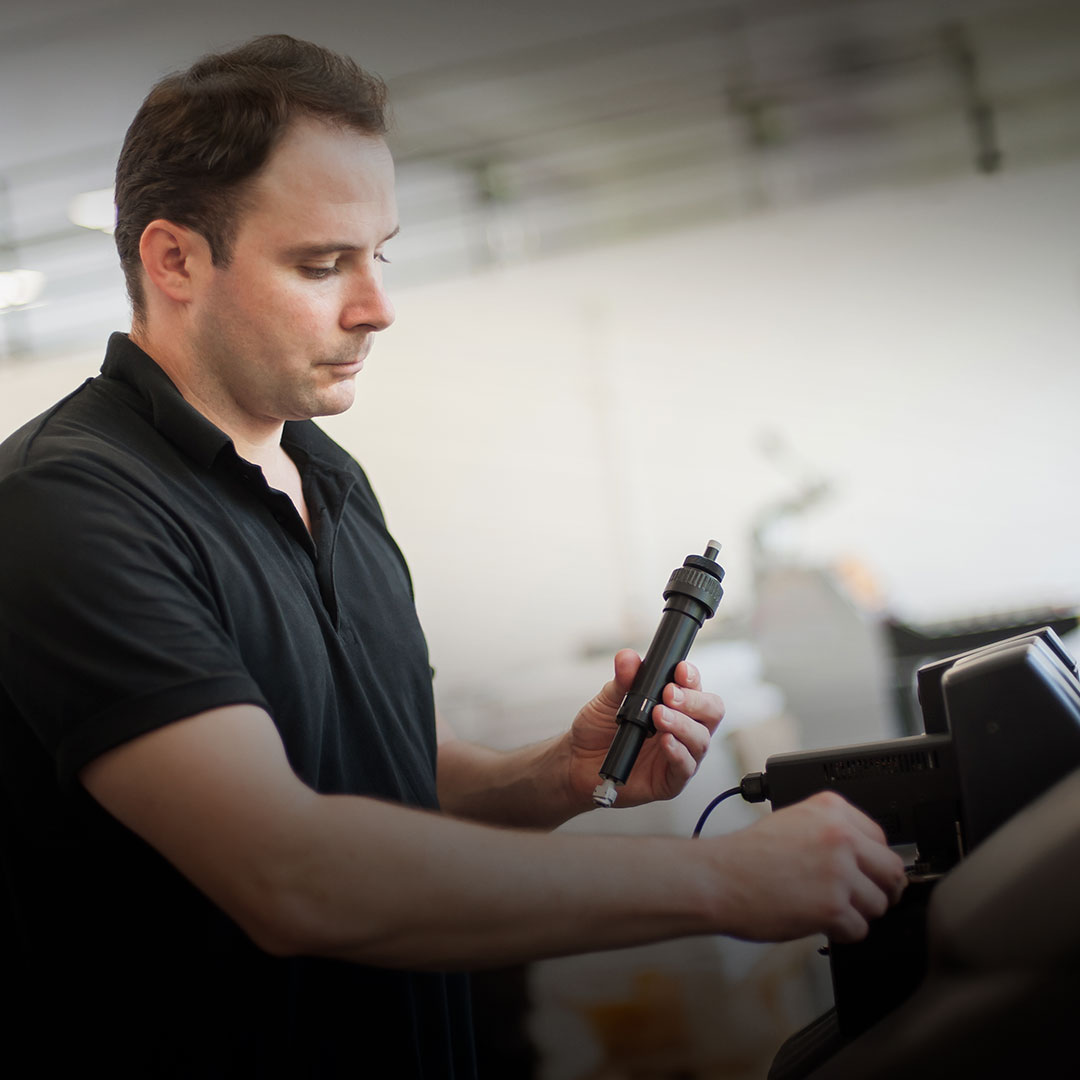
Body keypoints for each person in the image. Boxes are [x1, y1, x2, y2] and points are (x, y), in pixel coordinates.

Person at [0, 34, 906, 1079]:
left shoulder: (330, 480)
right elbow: (290, 870)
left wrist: (556, 775)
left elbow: (388, 775)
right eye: (321, 262)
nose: (376, 306)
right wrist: (723, 884)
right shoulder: (64, 508)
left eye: (377, 254)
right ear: (174, 260)